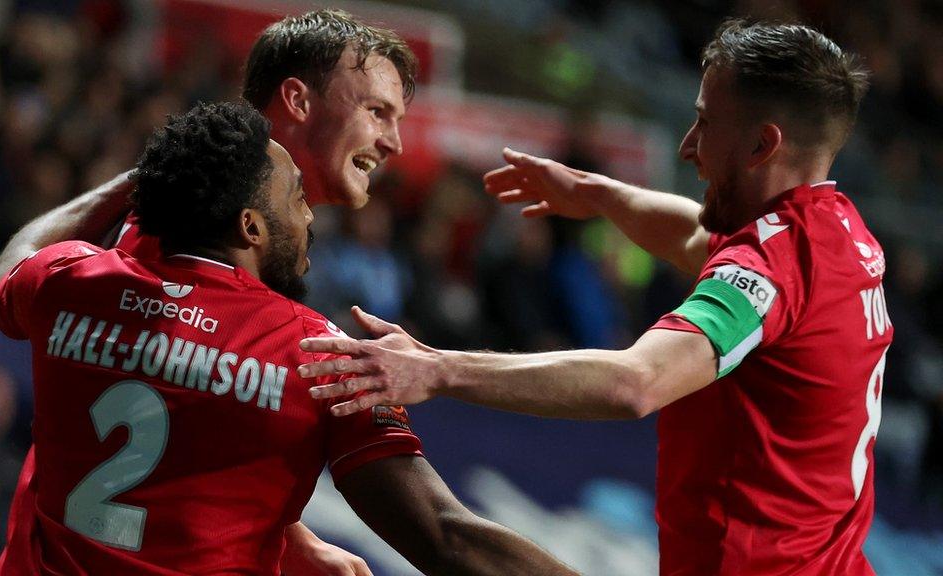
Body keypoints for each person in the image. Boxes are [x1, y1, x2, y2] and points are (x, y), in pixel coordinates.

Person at [301, 19, 888, 575]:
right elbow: (691, 232)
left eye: (705, 123)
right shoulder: (841, 236)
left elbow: (637, 383)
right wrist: (594, 193)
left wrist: (437, 368)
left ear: (763, 145)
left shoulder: (770, 264)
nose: (688, 147)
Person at [0, 101, 574, 575]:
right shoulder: (315, 350)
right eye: (297, 197)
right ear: (250, 226)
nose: (311, 217)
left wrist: (137, 181)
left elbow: (8, 265)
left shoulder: (70, 282)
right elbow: (446, 540)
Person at [0, 9, 418, 574]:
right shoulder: (172, 231)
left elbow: (181, 427)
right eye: (376, 112)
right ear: (297, 101)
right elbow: (157, 400)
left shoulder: (239, 231)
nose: (393, 141)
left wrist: (295, 539)